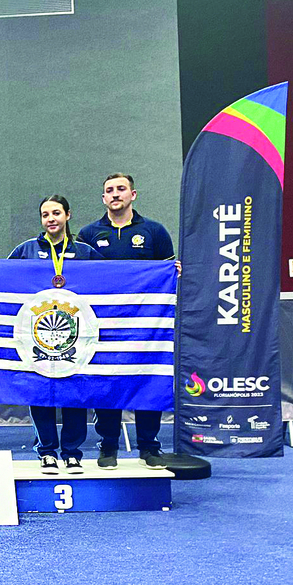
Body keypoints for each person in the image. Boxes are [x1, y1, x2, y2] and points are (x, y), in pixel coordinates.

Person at [78, 173, 177, 470]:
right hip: (104, 325)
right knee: (107, 382)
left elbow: (167, 272)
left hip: (148, 325)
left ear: (133, 194)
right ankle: (108, 446)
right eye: (109, 190)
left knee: (147, 379)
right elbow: (80, 278)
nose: (115, 194)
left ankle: (149, 446)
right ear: (103, 198)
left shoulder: (154, 232)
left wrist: (176, 271)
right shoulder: (88, 234)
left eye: (121, 189)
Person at [7, 194, 102, 474]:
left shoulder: (84, 252)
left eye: (56, 213)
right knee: (41, 392)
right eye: (46, 215)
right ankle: (46, 452)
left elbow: (112, 277)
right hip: (36, 336)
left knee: (74, 392)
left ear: (68, 216)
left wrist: (163, 271)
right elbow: (1, 276)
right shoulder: (26, 250)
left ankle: (72, 452)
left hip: (75, 336)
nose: (51, 219)